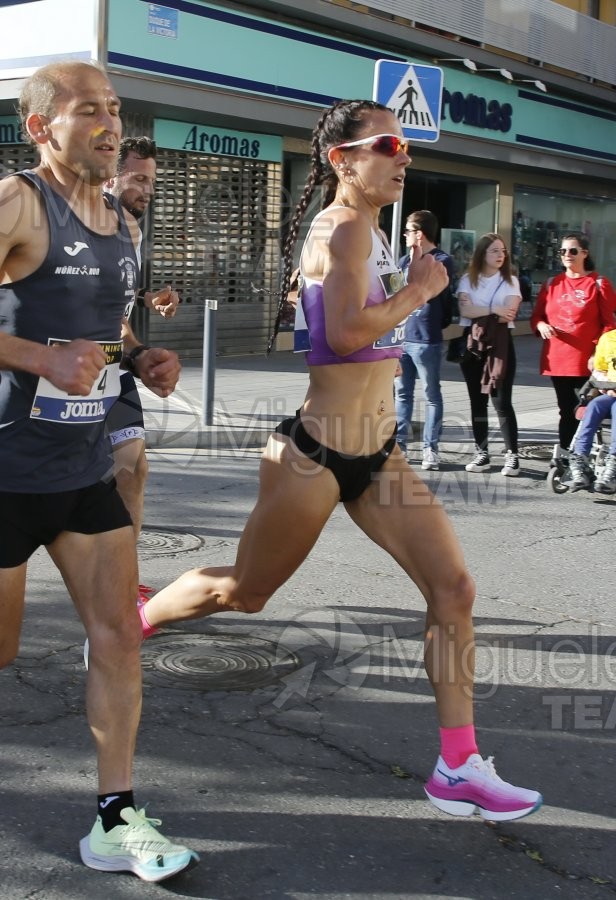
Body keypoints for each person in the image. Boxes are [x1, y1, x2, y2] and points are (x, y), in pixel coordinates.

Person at [137, 99, 542, 822]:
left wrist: (415, 288)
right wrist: (420, 290)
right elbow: (348, 337)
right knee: (246, 591)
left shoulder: (373, 230)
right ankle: (136, 620)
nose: (403, 155)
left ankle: (458, 765)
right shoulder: (345, 226)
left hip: (378, 455)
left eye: (405, 145)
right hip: (315, 455)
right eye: (387, 144)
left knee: (453, 590)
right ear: (342, 160)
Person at [0, 60, 197, 881]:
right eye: (89, 110)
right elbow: (48, 345)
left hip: (82, 469)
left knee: (117, 636)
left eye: (113, 108)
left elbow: (106, 328)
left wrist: (140, 356)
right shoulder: (18, 201)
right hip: (5, 470)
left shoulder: (119, 218)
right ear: (41, 127)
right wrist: (37, 357)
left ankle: (115, 819)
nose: (110, 123)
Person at [104, 136, 180, 539]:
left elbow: (119, 293)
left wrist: (148, 297)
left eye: (151, 181)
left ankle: (126, 571)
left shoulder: (132, 231)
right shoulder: (85, 226)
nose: (147, 190)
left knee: (133, 467)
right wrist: (135, 351)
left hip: (113, 368)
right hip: (62, 373)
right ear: (109, 178)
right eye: (138, 179)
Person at [530, 233, 616, 461]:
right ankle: (567, 458)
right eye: (563, 251)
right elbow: (537, 316)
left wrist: (597, 353)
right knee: (566, 410)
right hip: (557, 359)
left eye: (573, 250)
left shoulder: (598, 283)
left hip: (587, 361)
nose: (567, 255)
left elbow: (609, 325)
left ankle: (582, 457)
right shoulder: (552, 283)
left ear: (585, 254)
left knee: (584, 410)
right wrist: (541, 325)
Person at [457, 234, 522, 476]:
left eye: (503, 251)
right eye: (494, 250)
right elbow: (465, 309)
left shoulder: (510, 281)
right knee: (477, 401)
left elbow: (509, 314)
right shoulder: (467, 280)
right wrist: (495, 308)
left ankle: (512, 455)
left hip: (501, 345)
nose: (500, 255)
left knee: (501, 402)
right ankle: (481, 453)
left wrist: (480, 310)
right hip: (473, 346)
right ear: (482, 254)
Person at [393, 210, 453, 470]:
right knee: (402, 394)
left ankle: (430, 448)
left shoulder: (441, 261)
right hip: (402, 337)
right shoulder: (403, 261)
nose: (404, 235)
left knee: (431, 394)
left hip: (426, 338)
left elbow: (438, 296)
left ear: (420, 234)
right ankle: (400, 446)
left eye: (408, 230)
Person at [562, 327, 616, 493]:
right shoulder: (608, 339)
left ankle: (613, 464)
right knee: (594, 405)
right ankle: (581, 460)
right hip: (611, 392)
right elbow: (598, 371)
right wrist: (607, 387)